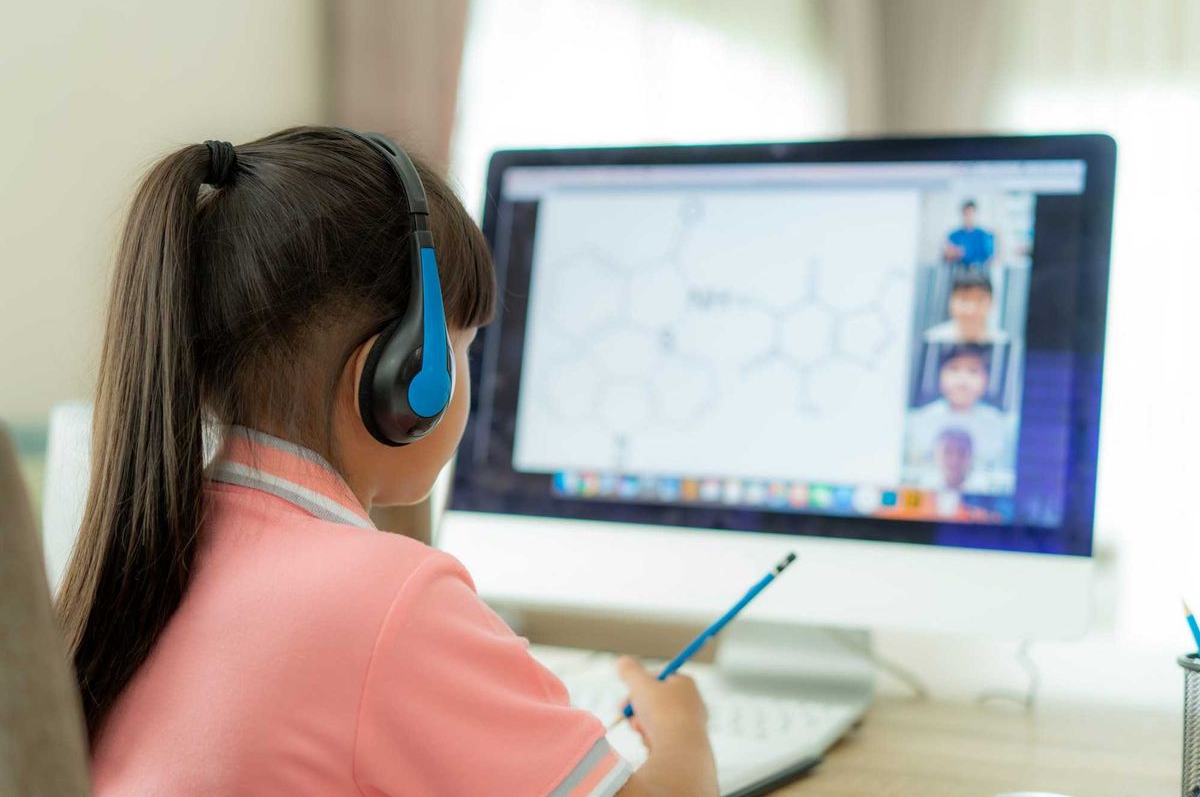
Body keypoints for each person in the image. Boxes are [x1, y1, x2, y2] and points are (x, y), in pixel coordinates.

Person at [61, 127, 717, 797]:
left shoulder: (154, 554)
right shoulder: (386, 598)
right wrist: (684, 732)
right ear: (410, 377)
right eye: (465, 346)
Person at [905, 345, 1014, 493]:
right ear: (940, 375)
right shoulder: (918, 420)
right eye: (954, 369)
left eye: (972, 371)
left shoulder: (1002, 425)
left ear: (986, 379)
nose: (962, 380)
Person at [924, 270, 1009, 344]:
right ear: (951, 302)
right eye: (964, 299)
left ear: (992, 303)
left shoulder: (1002, 343)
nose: (970, 309)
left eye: (979, 300)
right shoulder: (933, 341)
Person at [943, 199, 995, 267]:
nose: (968, 217)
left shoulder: (984, 235)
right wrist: (950, 255)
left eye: (971, 213)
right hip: (958, 274)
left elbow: (990, 257)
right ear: (962, 214)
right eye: (966, 214)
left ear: (975, 214)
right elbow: (946, 257)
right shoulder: (954, 236)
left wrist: (964, 253)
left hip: (980, 274)